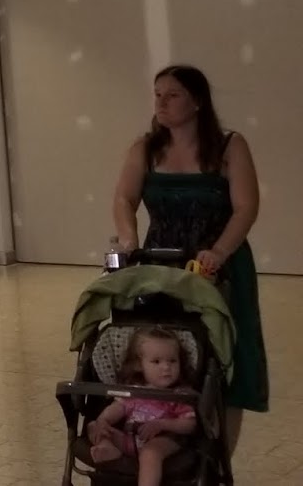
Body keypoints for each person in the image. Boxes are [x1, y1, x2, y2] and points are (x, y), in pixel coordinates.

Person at [112, 65, 268, 452]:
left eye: (173, 95)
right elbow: (124, 198)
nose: (161, 103)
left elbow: (246, 208)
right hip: (162, 264)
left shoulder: (230, 147)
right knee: (165, 352)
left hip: (218, 264)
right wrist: (129, 238)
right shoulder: (145, 148)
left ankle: (219, 456)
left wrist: (219, 252)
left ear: (197, 101)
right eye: (157, 94)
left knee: (227, 360)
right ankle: (165, 442)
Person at [86, 328, 197, 484]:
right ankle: (108, 447)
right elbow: (115, 409)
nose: (166, 367)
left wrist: (162, 424)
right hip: (130, 439)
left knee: (150, 453)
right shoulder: (135, 390)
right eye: (156, 361)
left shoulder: (179, 393)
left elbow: (190, 424)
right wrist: (103, 421)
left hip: (165, 439)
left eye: (172, 361)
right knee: (94, 426)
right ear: (139, 365)